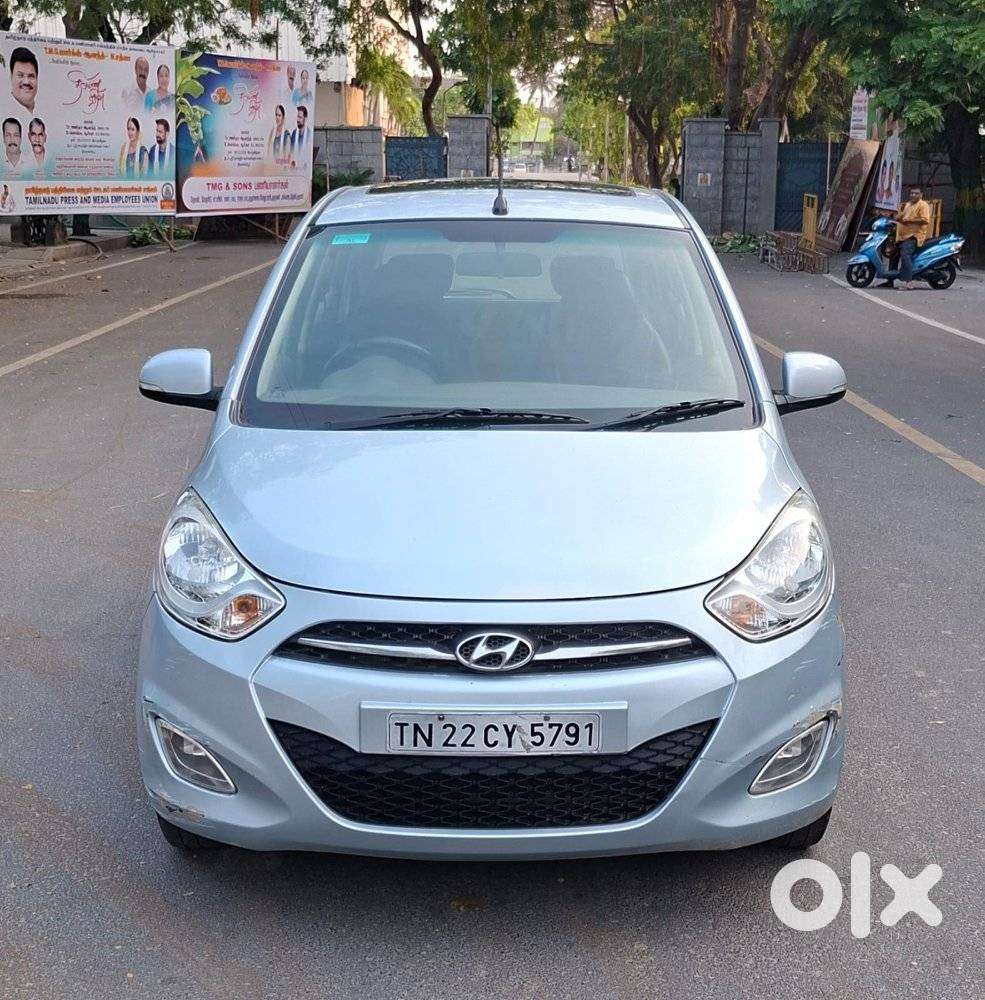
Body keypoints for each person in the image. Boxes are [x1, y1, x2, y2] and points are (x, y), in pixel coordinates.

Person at [879, 186, 932, 290]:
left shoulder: (923, 205)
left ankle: (909, 282)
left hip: (914, 236)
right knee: (893, 254)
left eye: (916, 193)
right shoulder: (908, 204)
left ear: (921, 195)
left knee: (905, 255)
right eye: (912, 193)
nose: (913, 195)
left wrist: (909, 221)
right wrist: (893, 217)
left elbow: (925, 220)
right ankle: (890, 281)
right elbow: (901, 216)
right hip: (903, 236)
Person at [9, 47, 38, 114]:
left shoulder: (44, 110)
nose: (26, 82)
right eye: (20, 75)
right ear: (11, 76)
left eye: (31, 76)